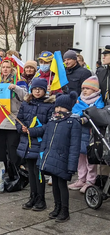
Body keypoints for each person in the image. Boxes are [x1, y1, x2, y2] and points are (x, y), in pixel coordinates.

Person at [38, 92, 81, 222]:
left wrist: (72, 165)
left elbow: (75, 146)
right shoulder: (52, 121)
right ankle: (57, 207)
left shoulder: (73, 122)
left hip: (63, 159)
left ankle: (65, 210)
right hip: (51, 158)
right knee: (55, 185)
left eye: (61, 107)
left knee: (62, 185)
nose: (58, 110)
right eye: (57, 107)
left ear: (68, 107)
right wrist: (42, 157)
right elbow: (45, 141)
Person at [16, 78, 55, 211]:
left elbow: (49, 125)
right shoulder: (26, 103)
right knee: (31, 171)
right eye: (35, 89)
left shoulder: (49, 105)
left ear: (44, 90)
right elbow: (19, 119)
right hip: (27, 144)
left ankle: (41, 199)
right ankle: (32, 196)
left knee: (38, 173)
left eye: (40, 89)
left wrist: (32, 131)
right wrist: (20, 128)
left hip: (39, 144)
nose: (37, 91)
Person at [68, 76, 104, 193]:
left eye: (87, 89)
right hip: (79, 133)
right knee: (80, 157)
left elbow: (97, 115)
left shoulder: (98, 102)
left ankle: (90, 180)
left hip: (90, 134)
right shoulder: (79, 100)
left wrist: (84, 117)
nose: (84, 91)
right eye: (83, 88)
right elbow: (74, 112)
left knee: (90, 159)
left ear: (94, 90)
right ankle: (81, 178)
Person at [0, 59, 27, 174]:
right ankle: (1, 173)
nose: (5, 69)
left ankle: (15, 172)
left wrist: (16, 88)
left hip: (13, 120)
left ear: (12, 68)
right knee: (0, 148)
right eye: (3, 67)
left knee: (12, 148)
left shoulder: (19, 81)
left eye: (8, 67)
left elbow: (25, 97)